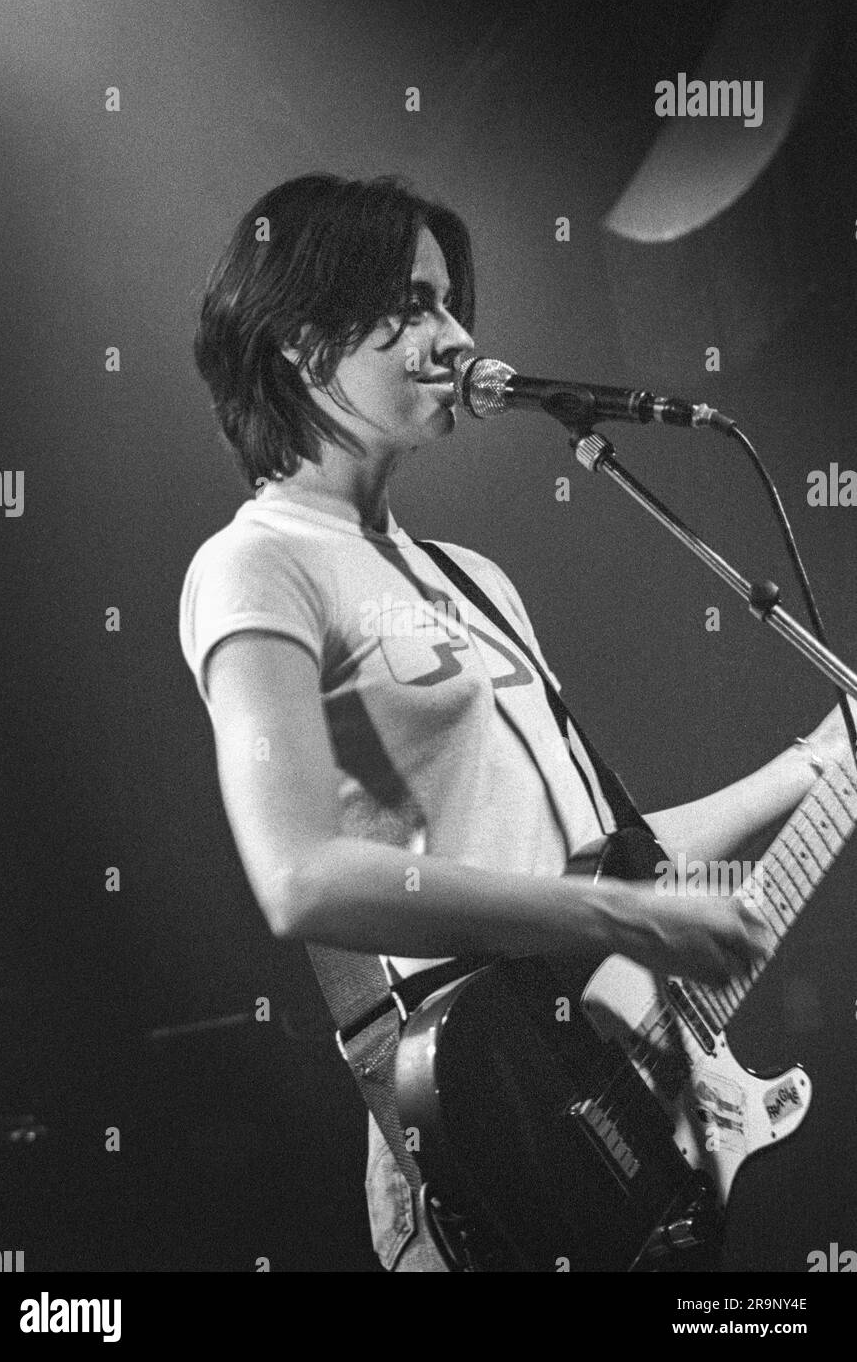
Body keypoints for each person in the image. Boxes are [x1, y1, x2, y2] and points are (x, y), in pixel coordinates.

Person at [179, 172, 854, 1272]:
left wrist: (817, 764)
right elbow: (298, 875)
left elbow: (601, 859)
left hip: (595, 1109)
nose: (457, 336)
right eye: (415, 303)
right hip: (480, 1130)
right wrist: (626, 925)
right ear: (304, 347)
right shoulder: (257, 562)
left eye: (453, 302)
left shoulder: (473, 578)